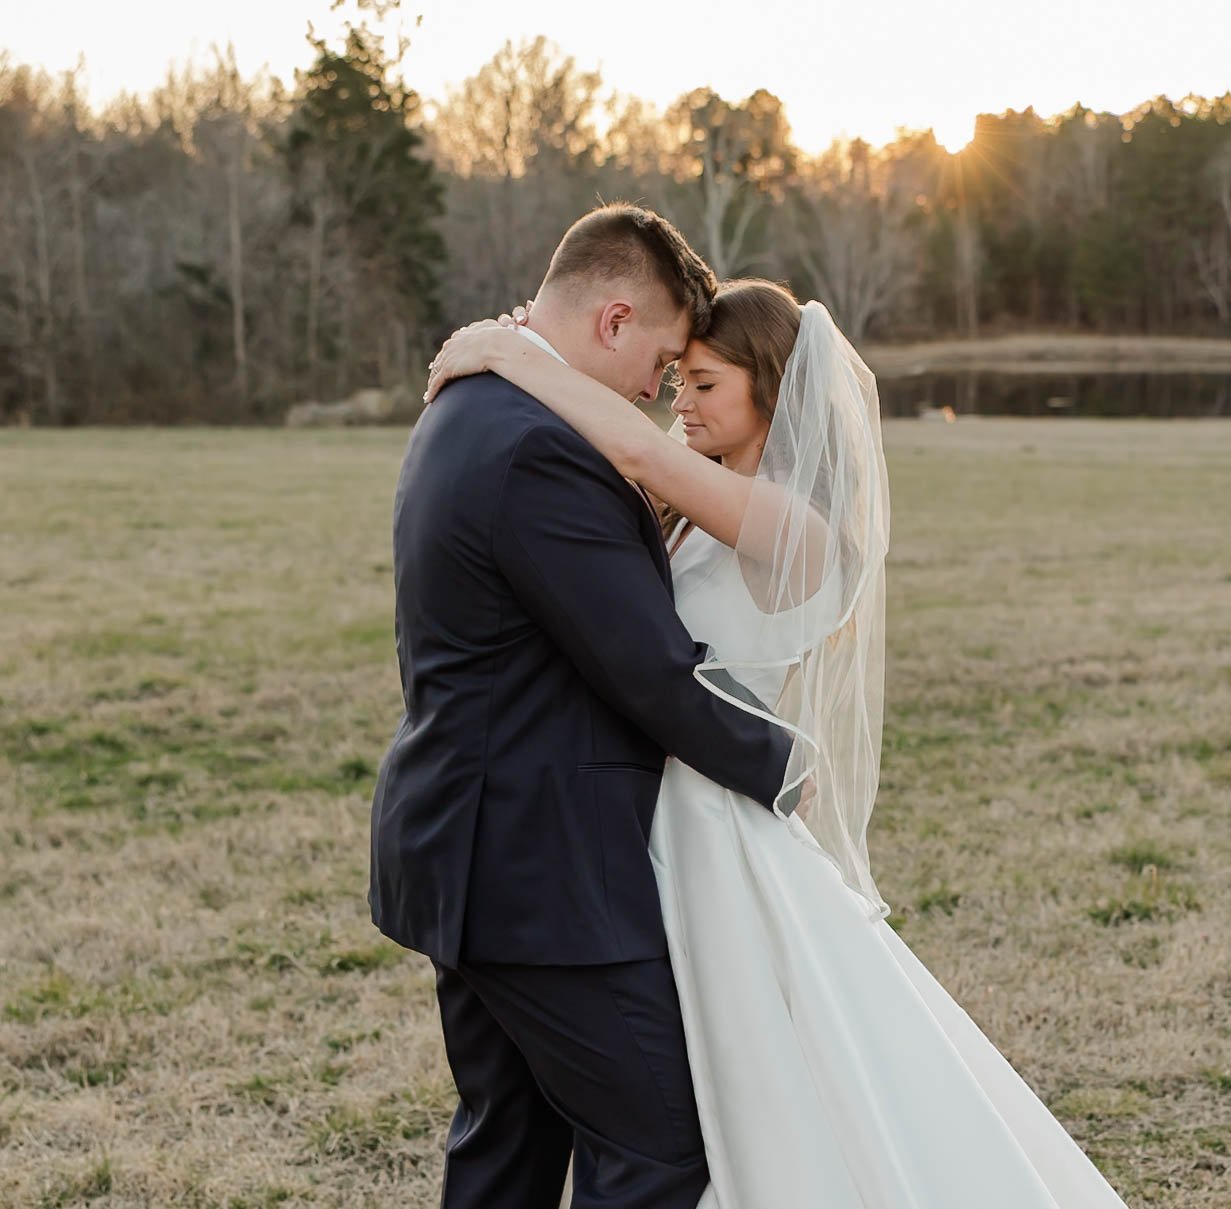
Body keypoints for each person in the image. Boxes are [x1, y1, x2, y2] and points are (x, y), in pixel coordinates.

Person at [423, 274, 1130, 1207]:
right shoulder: (699, 512)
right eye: (681, 381)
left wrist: (515, 351)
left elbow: (633, 447)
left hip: (708, 823)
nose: (682, 401)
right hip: (635, 810)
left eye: (706, 383)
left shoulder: (798, 529)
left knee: (723, 1094)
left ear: (775, 388)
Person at [369, 204, 801, 1209]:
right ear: (612, 321)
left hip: (472, 851)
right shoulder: (536, 447)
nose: (660, 397)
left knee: (508, 1148)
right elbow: (649, 670)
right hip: (538, 877)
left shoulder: (472, 408)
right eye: (660, 365)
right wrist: (783, 767)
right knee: (657, 1148)